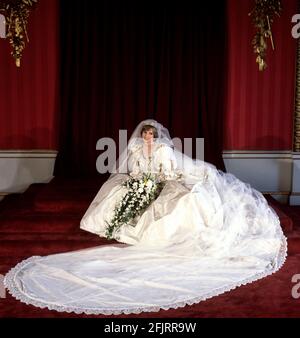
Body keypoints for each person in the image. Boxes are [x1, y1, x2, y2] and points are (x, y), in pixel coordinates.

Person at [4, 119, 287, 315]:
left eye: (151, 135)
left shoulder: (164, 150)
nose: (147, 138)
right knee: (119, 190)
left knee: (182, 198)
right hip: (150, 180)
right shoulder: (138, 149)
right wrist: (140, 183)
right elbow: (136, 170)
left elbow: (166, 173)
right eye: (145, 135)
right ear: (141, 136)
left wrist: (151, 185)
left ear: (157, 136)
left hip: (175, 175)